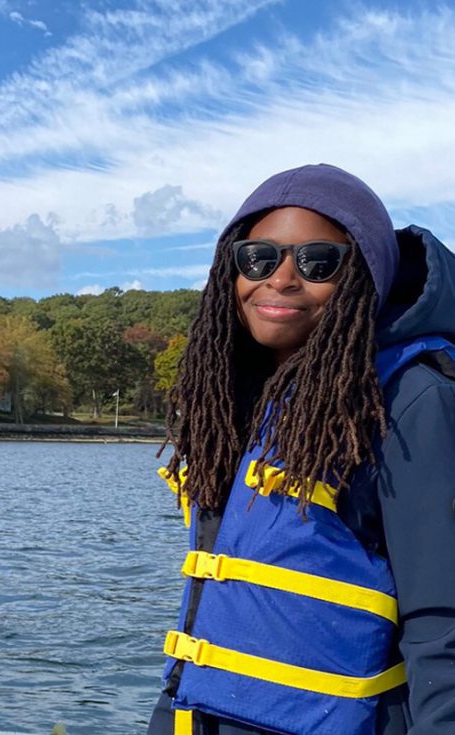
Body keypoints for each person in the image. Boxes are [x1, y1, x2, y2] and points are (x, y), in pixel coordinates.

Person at [147, 163, 455, 734]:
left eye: (318, 262)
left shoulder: (413, 400)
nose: (282, 279)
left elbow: (443, 628)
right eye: (257, 258)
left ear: (364, 276)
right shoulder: (233, 396)